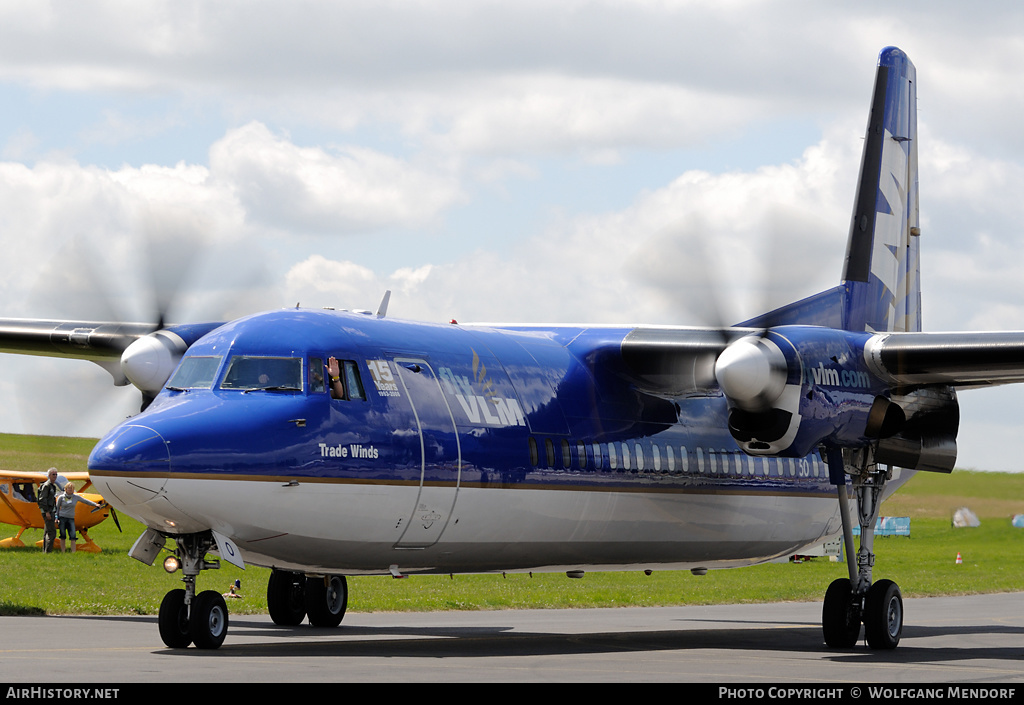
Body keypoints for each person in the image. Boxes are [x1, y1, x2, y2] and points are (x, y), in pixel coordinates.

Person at [55, 482, 101, 553]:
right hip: (62, 518)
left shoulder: (76, 497)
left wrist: (95, 504)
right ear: (66, 489)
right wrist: (56, 518)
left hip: (71, 518)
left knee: (73, 536)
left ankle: (73, 552)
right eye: (69, 488)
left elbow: (85, 501)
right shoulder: (61, 497)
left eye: (72, 488)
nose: (70, 490)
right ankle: (63, 551)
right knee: (63, 536)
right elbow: (57, 508)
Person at [37, 468, 60, 553]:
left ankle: (45, 551)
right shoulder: (47, 486)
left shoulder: (52, 486)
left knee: (47, 531)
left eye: (56, 474)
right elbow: (42, 499)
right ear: (49, 475)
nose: (55, 476)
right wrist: (47, 512)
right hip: (48, 511)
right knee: (52, 532)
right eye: (53, 474)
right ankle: (48, 552)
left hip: (51, 510)